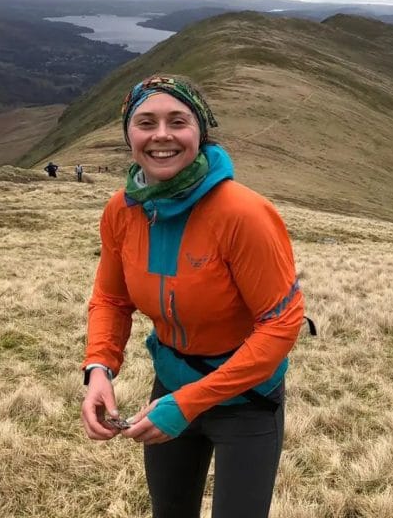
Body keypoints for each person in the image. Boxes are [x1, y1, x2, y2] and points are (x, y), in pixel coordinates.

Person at [80, 74, 305, 518]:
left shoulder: (244, 214)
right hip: (170, 386)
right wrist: (98, 369)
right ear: (129, 134)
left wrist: (191, 402)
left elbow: (281, 324)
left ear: (200, 131)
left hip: (246, 401)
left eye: (177, 121)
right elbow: (111, 299)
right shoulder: (122, 210)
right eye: (146, 122)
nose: (161, 135)